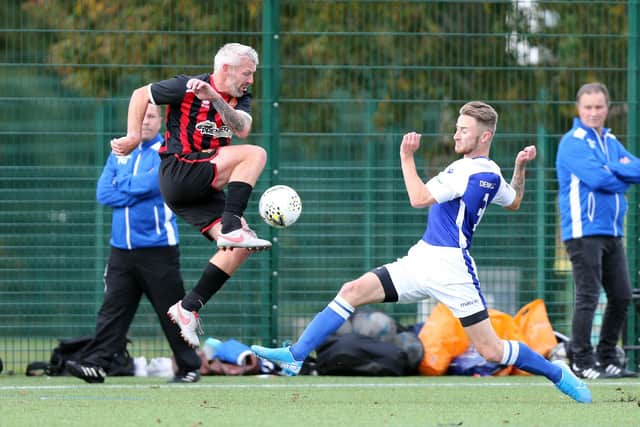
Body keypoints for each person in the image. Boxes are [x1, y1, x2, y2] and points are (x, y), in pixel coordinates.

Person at [253, 101, 592, 403]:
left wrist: (406, 156)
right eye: (457, 128)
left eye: (464, 130)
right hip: (423, 258)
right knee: (352, 291)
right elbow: (514, 200)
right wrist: (520, 167)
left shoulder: (465, 172)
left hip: (452, 267)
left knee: (491, 350)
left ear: (485, 136)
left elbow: (417, 198)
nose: (456, 135)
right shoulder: (490, 172)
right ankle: (296, 354)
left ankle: (557, 372)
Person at [109, 43, 271, 349]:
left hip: (196, 189)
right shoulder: (186, 86)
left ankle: (188, 307)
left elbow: (242, 127)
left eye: (253, 74)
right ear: (226, 68)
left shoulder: (238, 97)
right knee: (255, 155)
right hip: (180, 170)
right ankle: (233, 224)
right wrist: (132, 136)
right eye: (247, 73)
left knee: (239, 249)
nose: (250, 79)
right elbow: (140, 95)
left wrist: (216, 101)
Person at [65, 104, 202, 384]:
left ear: (161, 121)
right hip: (121, 252)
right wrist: (132, 188)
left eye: (151, 116)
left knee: (172, 312)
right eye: (141, 116)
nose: (145, 121)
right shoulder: (120, 152)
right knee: (112, 311)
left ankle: (189, 367)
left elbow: (152, 186)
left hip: (158, 250)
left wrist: (124, 184)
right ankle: (95, 364)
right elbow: (104, 192)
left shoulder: (167, 151)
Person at [556, 82, 639, 379]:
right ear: (579, 109)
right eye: (588, 107)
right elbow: (599, 180)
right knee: (588, 296)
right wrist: (619, 174)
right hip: (583, 232)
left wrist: (612, 169)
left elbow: (637, 169)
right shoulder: (572, 142)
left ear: (607, 108)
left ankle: (607, 357)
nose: (594, 113)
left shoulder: (611, 141)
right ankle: (580, 359)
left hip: (612, 231)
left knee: (621, 295)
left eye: (599, 107)